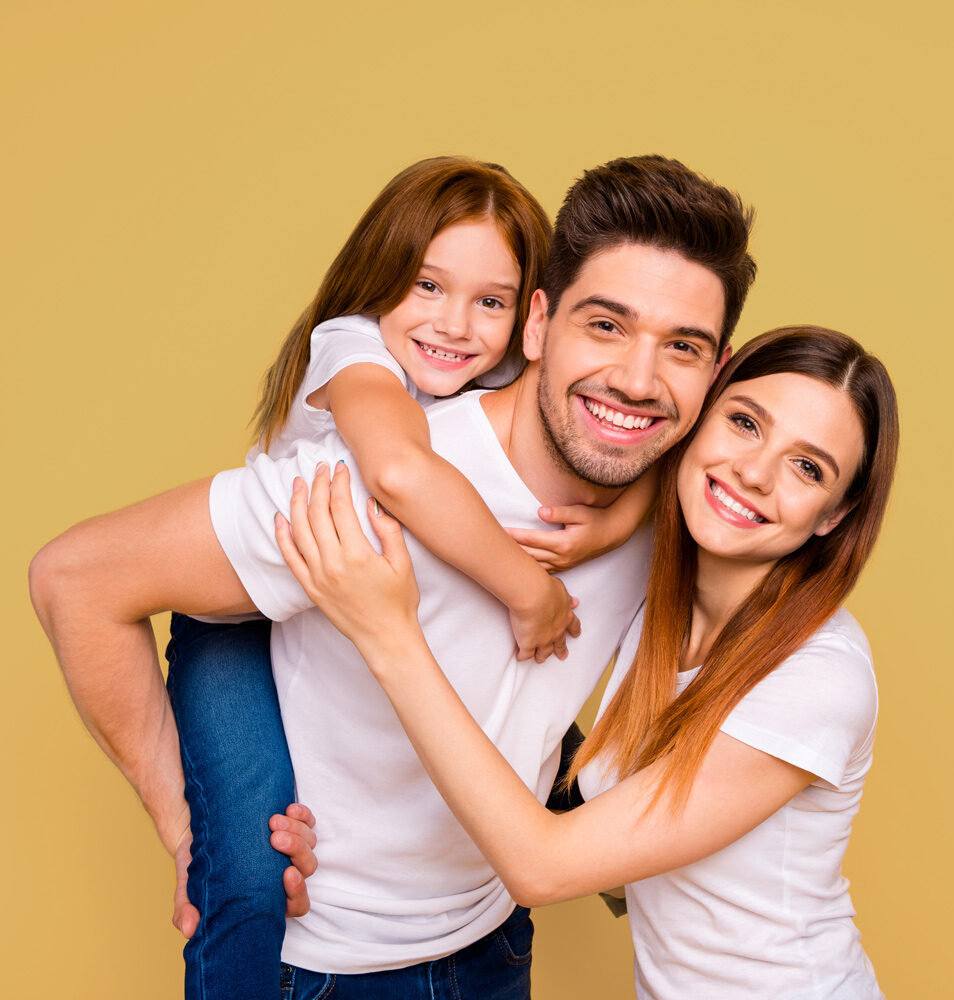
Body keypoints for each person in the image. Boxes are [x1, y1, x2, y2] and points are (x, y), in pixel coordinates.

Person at [29, 154, 756, 998]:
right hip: (322, 970)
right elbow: (73, 579)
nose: (638, 377)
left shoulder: (692, 497)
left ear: (718, 368)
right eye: (606, 326)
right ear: (540, 323)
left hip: (493, 944)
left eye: (683, 347)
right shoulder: (360, 484)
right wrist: (189, 827)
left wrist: (630, 514)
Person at [279, 325, 898, 999]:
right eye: (745, 423)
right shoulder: (660, 586)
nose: (755, 471)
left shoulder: (817, 677)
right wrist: (307, 818)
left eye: (809, 468)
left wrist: (387, 633)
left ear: (834, 515)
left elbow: (543, 867)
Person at [165, 155, 652, 1000]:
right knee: (248, 862)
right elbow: (398, 471)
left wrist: (618, 516)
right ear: (380, 277)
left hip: (469, 920)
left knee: (545, 765)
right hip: (239, 620)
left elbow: (651, 424)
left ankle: (587, 832)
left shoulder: (507, 376)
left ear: (531, 317)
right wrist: (529, 589)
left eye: (491, 302)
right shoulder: (353, 347)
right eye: (426, 286)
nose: (457, 325)